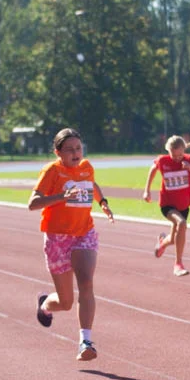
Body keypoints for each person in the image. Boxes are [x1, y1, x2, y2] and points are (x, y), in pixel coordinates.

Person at [29, 128, 115, 361]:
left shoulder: (86, 167)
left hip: (83, 233)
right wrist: (62, 198)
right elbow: (33, 203)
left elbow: (92, 185)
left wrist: (103, 202)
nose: (76, 153)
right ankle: (45, 304)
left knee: (86, 282)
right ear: (58, 152)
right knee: (65, 302)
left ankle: (85, 341)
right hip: (57, 237)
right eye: (69, 150)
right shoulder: (52, 171)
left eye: (78, 148)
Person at [143, 136, 190, 277]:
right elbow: (153, 169)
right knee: (181, 223)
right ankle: (178, 264)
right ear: (168, 151)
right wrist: (147, 190)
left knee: (174, 238)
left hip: (183, 205)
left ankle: (162, 243)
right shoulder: (163, 161)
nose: (177, 158)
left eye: (180, 155)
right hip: (167, 204)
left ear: (184, 150)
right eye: (173, 155)